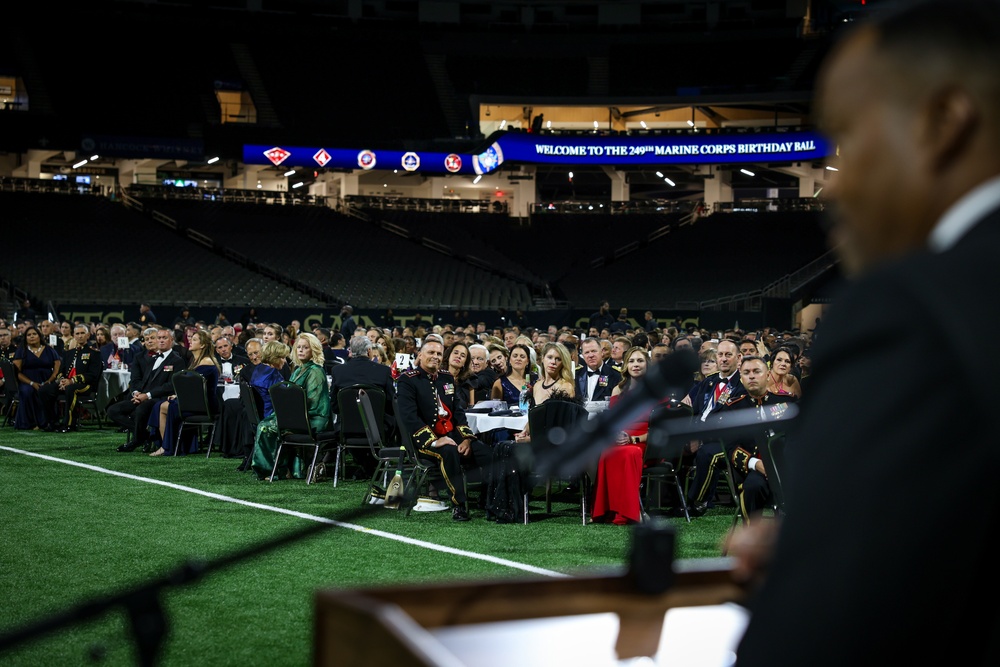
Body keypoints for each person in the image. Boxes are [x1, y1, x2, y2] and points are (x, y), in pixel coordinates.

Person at [728, 3, 1000, 665]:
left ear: (944, 121)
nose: (831, 187)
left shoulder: (906, 310)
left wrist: (820, 575)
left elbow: (817, 640)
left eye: (848, 139)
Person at [396, 335, 491, 521]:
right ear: (420, 355)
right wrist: (434, 441)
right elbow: (409, 417)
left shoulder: (446, 378)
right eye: (430, 352)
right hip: (423, 442)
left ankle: (489, 499)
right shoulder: (408, 380)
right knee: (449, 452)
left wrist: (466, 439)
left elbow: (458, 412)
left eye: (439, 353)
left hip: (452, 435)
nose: (435, 357)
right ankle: (459, 505)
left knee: (487, 454)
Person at [716, 355, 796, 525]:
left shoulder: (787, 403)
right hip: (755, 470)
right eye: (746, 373)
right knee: (752, 487)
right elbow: (731, 448)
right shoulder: (732, 409)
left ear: (767, 375)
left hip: (788, 467)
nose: (751, 376)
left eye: (756, 371)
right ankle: (752, 538)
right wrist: (757, 464)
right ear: (742, 379)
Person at [251, 332, 331, 480]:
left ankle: (274, 471)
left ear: (313, 350)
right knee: (266, 424)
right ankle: (278, 469)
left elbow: (312, 402)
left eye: (305, 347)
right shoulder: (299, 369)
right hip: (297, 415)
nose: (301, 350)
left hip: (313, 418)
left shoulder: (315, 371)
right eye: (299, 347)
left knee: (266, 427)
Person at [592, 346, 656, 525]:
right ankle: (610, 511)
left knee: (630, 453)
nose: (635, 365)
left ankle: (631, 511)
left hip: (646, 443)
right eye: (632, 361)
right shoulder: (617, 391)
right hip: (620, 440)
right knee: (605, 452)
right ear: (626, 366)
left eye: (640, 361)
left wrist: (633, 439)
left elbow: (661, 430)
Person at [681, 339, 745, 515]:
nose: (723, 359)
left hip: (727, 442)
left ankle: (697, 502)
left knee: (707, 453)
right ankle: (669, 498)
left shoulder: (743, 384)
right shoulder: (709, 382)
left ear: (738, 358)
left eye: (728, 355)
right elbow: (695, 412)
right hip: (701, 435)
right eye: (720, 354)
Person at [326, 335, 396, 477]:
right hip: (378, 428)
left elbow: (334, 406)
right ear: (369, 351)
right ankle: (371, 466)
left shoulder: (338, 371)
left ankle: (366, 466)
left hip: (346, 429)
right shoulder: (383, 371)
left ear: (350, 351)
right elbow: (390, 404)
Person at [107, 328, 185, 452]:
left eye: (164, 338)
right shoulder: (152, 359)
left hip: (159, 398)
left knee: (141, 410)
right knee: (113, 410)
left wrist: (148, 395)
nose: (161, 341)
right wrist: (137, 393)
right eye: (159, 338)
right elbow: (139, 380)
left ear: (172, 340)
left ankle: (136, 440)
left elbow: (171, 385)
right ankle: (144, 436)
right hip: (142, 396)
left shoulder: (177, 361)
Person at [148, 329, 220, 457]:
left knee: (165, 406)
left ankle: (168, 446)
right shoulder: (195, 360)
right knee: (160, 405)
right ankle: (167, 445)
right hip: (193, 402)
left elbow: (195, 387)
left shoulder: (207, 362)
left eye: (194, 339)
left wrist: (178, 395)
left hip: (204, 405)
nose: (190, 342)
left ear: (202, 345)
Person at [38, 324, 102, 432]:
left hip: (85, 385)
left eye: (82, 333)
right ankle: (52, 422)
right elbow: (61, 371)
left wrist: (72, 381)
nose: (80, 336)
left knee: (70, 389)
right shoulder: (69, 353)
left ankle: (69, 424)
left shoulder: (94, 353)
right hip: (66, 384)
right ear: (74, 336)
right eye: (77, 333)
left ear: (88, 335)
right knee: (43, 390)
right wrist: (61, 380)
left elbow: (92, 375)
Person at [240, 341, 290, 473]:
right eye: (282, 357)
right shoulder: (272, 375)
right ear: (274, 358)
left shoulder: (259, 370)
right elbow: (285, 399)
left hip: (258, 419)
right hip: (271, 419)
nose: (285, 361)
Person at [11, 325, 61, 430]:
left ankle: (47, 422)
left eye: (34, 334)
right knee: (27, 391)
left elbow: (57, 368)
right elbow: (17, 373)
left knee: (46, 391)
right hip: (27, 381)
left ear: (39, 336)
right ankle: (29, 423)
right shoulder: (21, 351)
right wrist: (31, 383)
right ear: (25, 338)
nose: (32, 337)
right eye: (29, 335)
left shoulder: (49, 350)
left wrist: (49, 381)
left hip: (47, 380)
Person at [574, 337, 621, 403]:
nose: (590, 355)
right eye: (587, 352)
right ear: (583, 356)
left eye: (594, 351)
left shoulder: (615, 375)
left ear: (602, 352)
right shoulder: (576, 375)